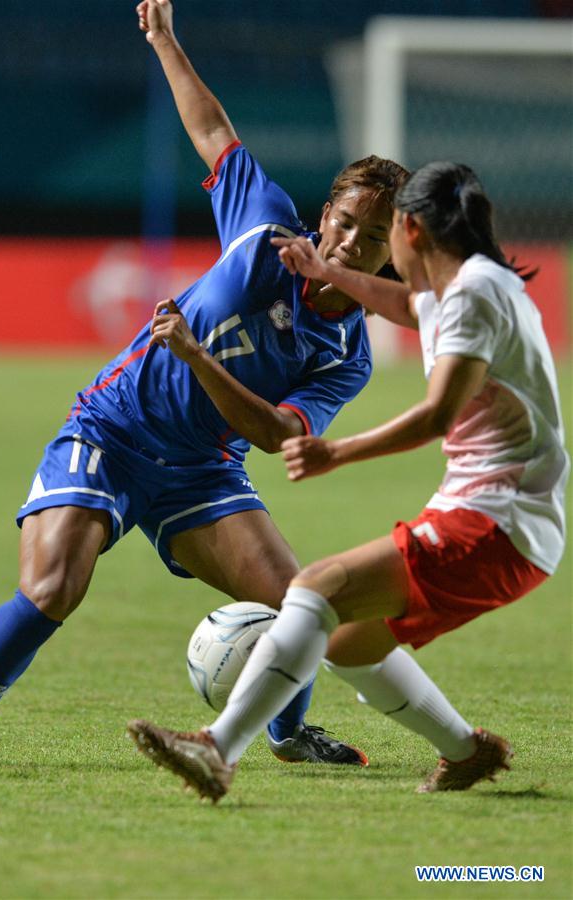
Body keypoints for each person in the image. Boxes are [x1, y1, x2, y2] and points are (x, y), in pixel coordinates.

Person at [0, 0, 409, 770]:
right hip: (111, 431)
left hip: (202, 467)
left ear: (390, 253)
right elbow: (213, 133)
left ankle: (287, 736)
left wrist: (192, 354)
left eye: (372, 237)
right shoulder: (264, 230)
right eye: (344, 222)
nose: (349, 241)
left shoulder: (345, 350)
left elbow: (279, 434)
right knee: (53, 586)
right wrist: (163, 41)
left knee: (297, 605)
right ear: (325, 215)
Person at [127, 160, 569, 802]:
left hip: (497, 522)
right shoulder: (476, 284)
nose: (376, 248)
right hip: (503, 521)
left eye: (385, 232)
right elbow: (410, 307)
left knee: (315, 588)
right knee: (348, 644)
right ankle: (468, 752)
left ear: (410, 230)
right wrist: (329, 272)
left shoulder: (472, 296)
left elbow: (438, 414)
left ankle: (217, 749)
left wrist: (338, 452)